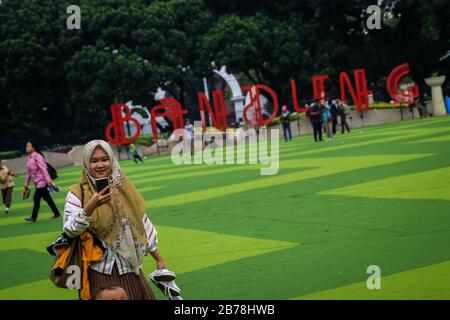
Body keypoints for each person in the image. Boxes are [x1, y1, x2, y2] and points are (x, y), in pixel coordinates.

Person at [63, 140, 180, 300]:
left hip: (131, 269)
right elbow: (69, 230)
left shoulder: (123, 187)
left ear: (112, 160)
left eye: (104, 159)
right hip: (100, 273)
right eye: (94, 161)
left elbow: (142, 223)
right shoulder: (77, 193)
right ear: (85, 163)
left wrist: (159, 259)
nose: (100, 165)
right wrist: (90, 207)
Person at [24, 141, 61, 222]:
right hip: (37, 182)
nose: (26, 147)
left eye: (28, 146)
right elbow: (29, 172)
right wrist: (26, 184)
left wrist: (48, 179)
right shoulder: (30, 158)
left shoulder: (38, 156)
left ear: (33, 148)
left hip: (42, 181)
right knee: (47, 198)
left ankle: (33, 217)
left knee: (36, 198)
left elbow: (43, 168)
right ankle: (57, 213)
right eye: (26, 146)